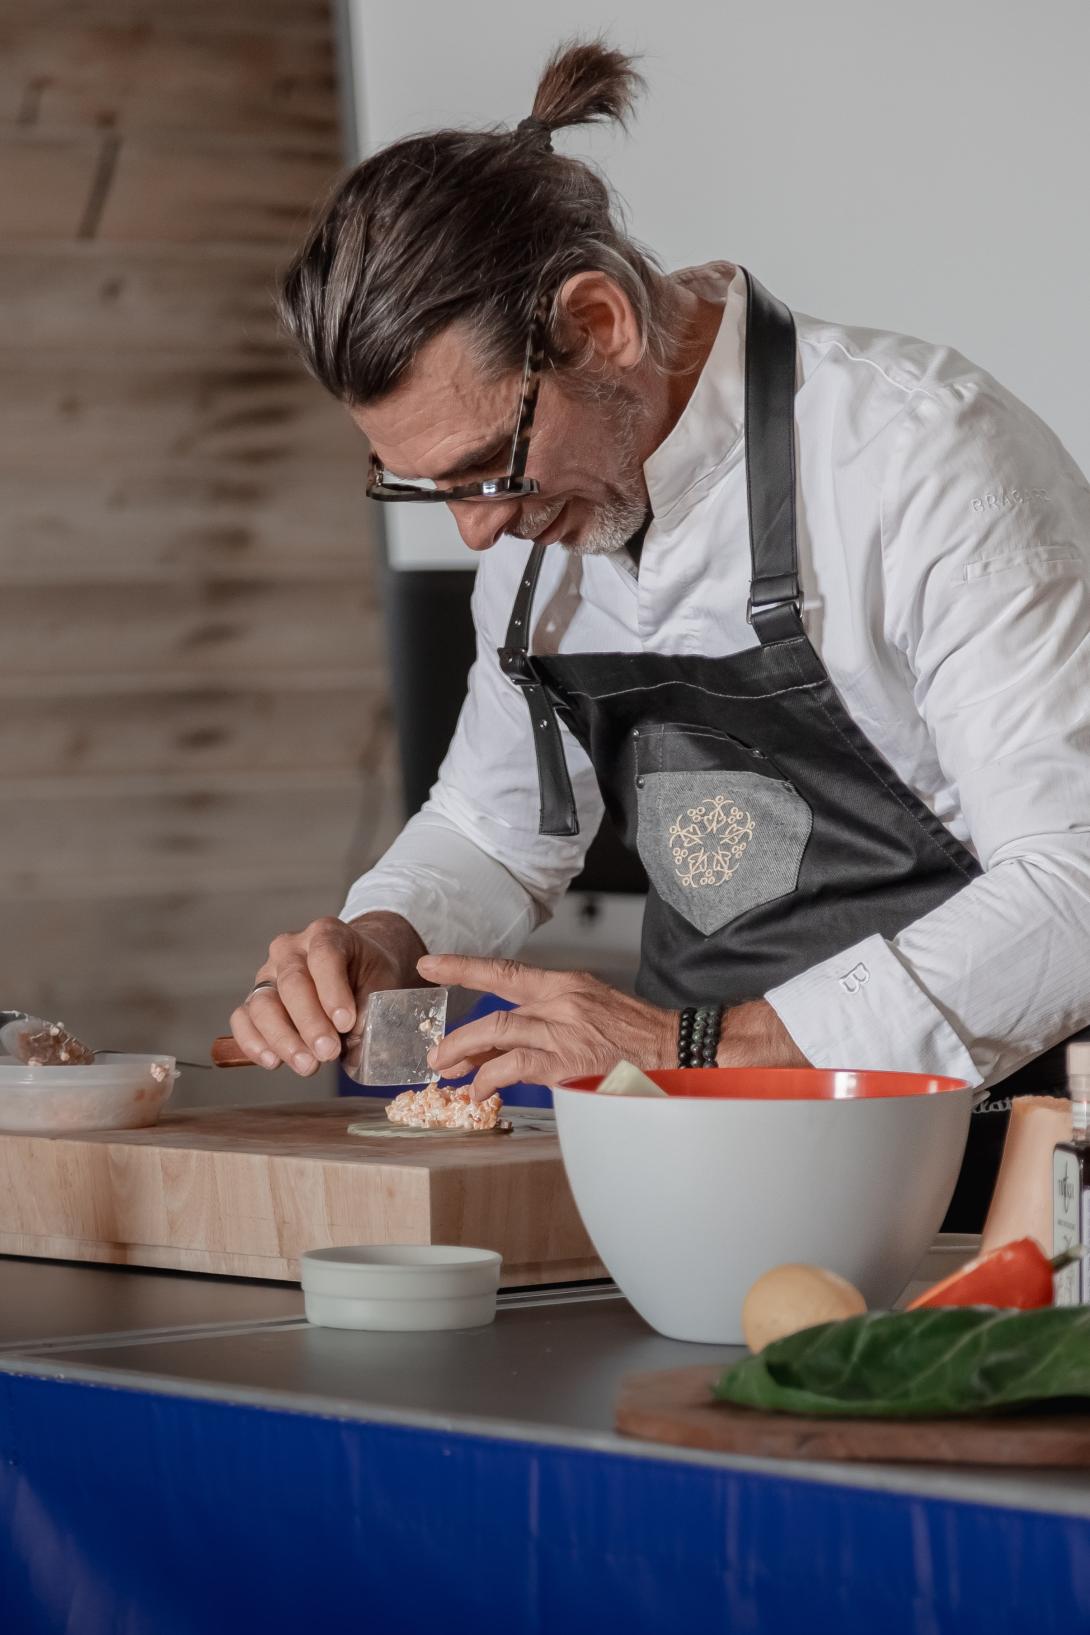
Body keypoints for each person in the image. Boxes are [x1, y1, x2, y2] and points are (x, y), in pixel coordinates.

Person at [227, 38, 1090, 1226]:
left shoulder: (922, 459)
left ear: (598, 323)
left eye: (484, 469)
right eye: (430, 490)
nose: (478, 530)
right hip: (694, 1173)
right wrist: (384, 933)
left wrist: (703, 1047)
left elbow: (1072, 882)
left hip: (977, 1174)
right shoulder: (541, 522)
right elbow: (497, 828)